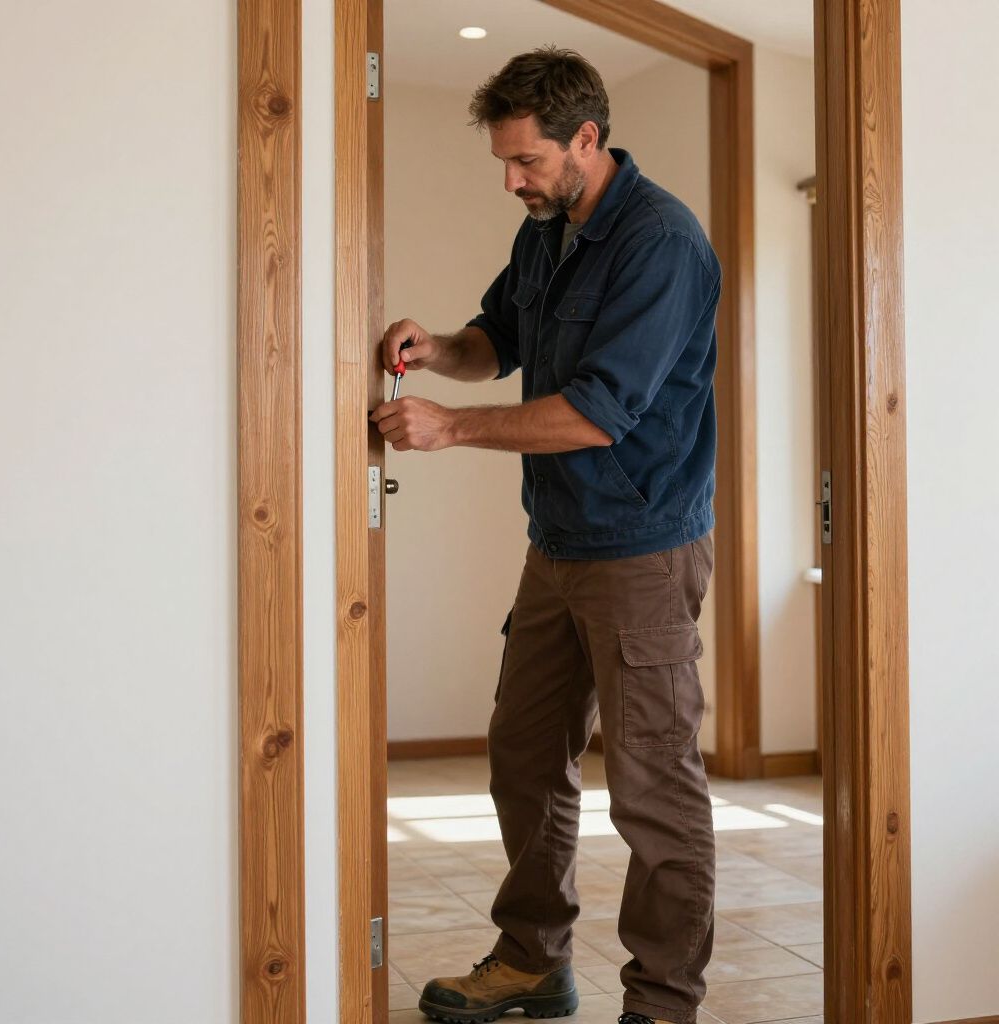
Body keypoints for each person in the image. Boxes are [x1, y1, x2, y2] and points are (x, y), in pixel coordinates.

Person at [371, 46, 720, 1024]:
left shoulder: (661, 243)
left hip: (642, 547)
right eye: (504, 164)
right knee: (524, 754)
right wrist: (438, 347)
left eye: (525, 161)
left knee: (651, 787)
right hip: (557, 543)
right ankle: (532, 959)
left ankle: (662, 1002)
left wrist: (450, 426)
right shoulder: (545, 229)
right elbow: (498, 341)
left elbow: (600, 412)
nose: (513, 180)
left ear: (586, 138)